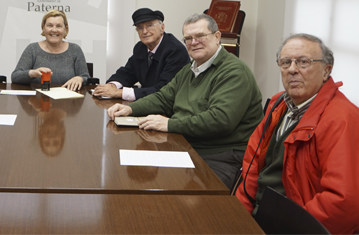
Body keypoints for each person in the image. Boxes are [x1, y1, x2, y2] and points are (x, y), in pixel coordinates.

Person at [107, 13, 263, 189]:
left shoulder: (234, 72)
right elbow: (164, 97)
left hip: (222, 156)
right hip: (188, 144)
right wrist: (131, 109)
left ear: (217, 37)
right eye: (188, 38)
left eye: (200, 36)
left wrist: (170, 124)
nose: (193, 42)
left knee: (188, 203)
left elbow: (220, 120)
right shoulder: (191, 68)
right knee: (133, 176)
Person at [236, 34, 359, 234]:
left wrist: (289, 226)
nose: (292, 69)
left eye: (303, 62)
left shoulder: (342, 119)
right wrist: (239, 216)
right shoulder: (279, 103)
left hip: (295, 226)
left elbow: (344, 202)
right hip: (260, 217)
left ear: (326, 71)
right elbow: (252, 165)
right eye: (285, 62)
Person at [92, 8, 190, 100]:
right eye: (140, 27)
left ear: (162, 27)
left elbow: (165, 90)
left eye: (150, 25)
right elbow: (128, 72)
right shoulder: (140, 47)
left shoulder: (176, 50)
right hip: (147, 103)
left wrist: (119, 93)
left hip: (168, 108)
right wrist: (112, 86)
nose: (145, 31)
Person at [11, 10, 90, 91]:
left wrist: (80, 78)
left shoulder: (75, 49)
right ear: (43, 28)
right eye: (50, 25)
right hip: (37, 101)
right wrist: (31, 73)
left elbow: (86, 77)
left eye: (59, 26)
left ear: (65, 29)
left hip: (67, 101)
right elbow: (15, 77)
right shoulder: (32, 49)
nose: (54, 30)